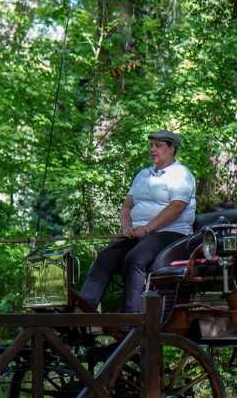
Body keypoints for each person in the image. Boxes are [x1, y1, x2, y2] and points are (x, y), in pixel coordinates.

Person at [79, 129, 196, 313]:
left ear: (172, 148)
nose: (152, 150)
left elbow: (176, 207)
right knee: (105, 257)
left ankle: (131, 318)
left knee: (135, 259)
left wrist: (148, 228)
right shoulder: (143, 175)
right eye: (151, 146)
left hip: (171, 234)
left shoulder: (181, 174)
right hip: (139, 234)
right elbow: (127, 207)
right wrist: (127, 227)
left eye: (158, 146)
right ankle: (82, 315)